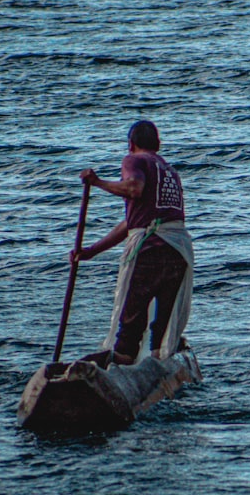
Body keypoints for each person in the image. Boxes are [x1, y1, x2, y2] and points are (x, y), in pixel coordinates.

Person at [71, 121, 194, 365]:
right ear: (157, 144)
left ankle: (123, 361)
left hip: (151, 249)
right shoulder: (170, 172)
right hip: (179, 251)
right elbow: (134, 222)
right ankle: (160, 358)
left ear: (131, 144)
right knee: (163, 324)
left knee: (132, 322)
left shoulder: (134, 160)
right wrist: (92, 251)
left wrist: (97, 183)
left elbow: (134, 189)